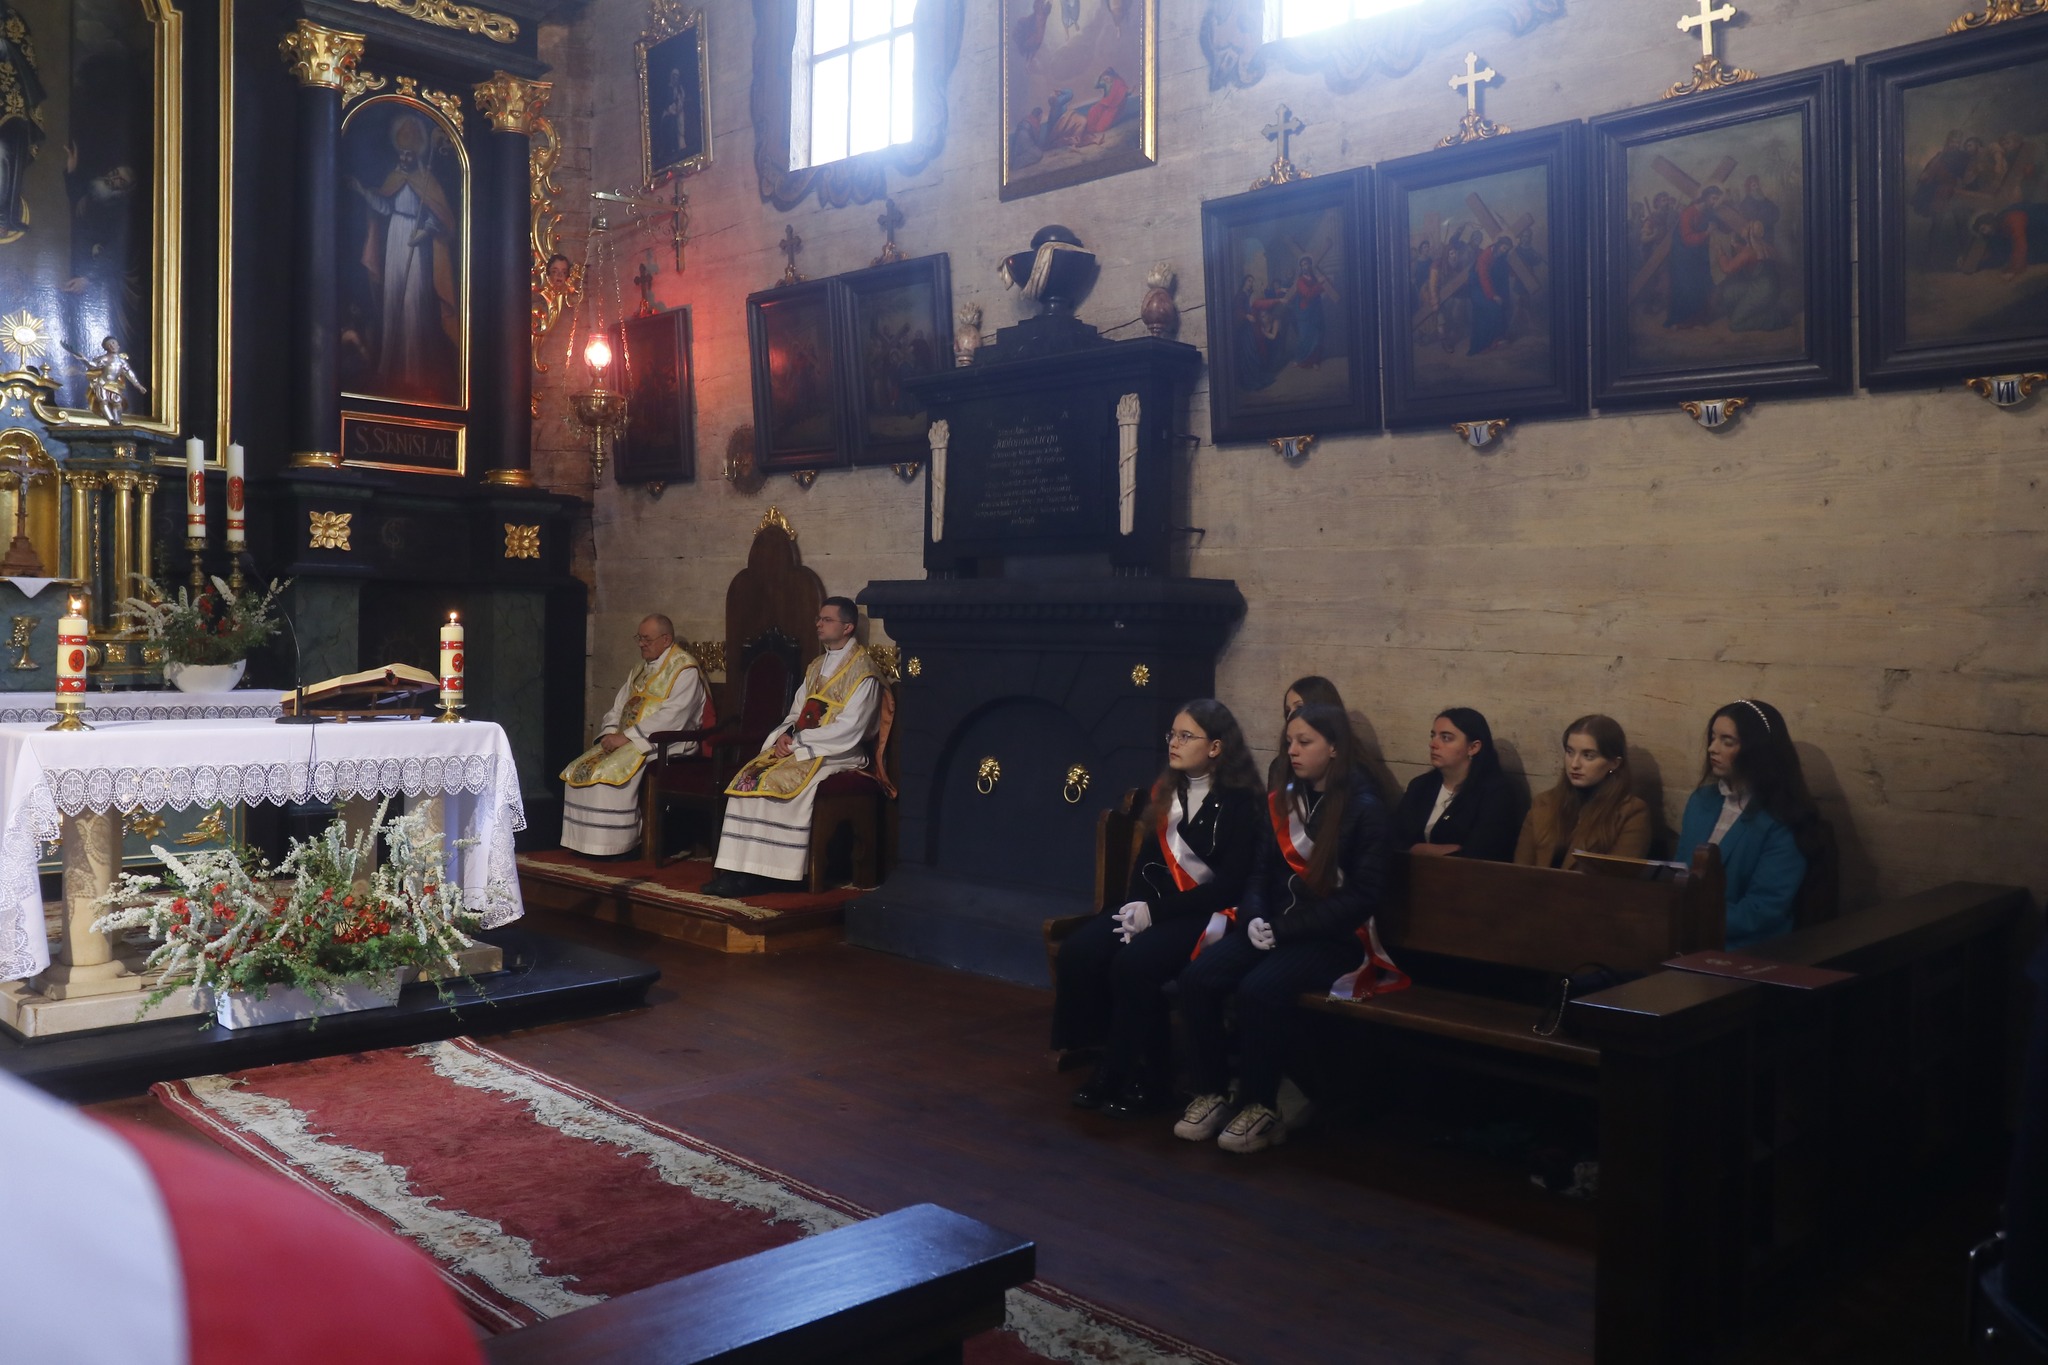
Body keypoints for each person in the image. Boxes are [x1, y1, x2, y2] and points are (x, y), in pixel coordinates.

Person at [1175, 703, 1390, 1154]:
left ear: (1334, 747)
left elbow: (1362, 897)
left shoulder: (1364, 808)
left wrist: (1282, 928)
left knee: (1258, 989)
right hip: (1274, 927)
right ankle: (1211, 1092)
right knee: (1198, 977)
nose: (1292, 750)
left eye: (1304, 742)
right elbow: (1259, 874)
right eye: (1289, 741)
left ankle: (1261, 1105)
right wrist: (1254, 917)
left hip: (1332, 940)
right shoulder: (1285, 799)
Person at [1052, 700, 1262, 1116]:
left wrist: (1154, 914)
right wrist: (1134, 907)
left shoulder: (1242, 803)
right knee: (1081, 950)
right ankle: (1107, 1054)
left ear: (1216, 747)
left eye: (1186, 735)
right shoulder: (1168, 792)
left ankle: (1143, 1075)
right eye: (1172, 734)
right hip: (1157, 908)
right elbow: (1146, 862)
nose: (1174, 743)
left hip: (1207, 915)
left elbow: (1229, 887)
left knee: (1134, 964)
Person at [704, 597, 883, 898]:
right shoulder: (816, 667)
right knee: (749, 777)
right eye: (818, 618)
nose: (819, 624)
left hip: (838, 751)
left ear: (848, 627)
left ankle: (770, 874)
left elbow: (852, 728)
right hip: (802, 746)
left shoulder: (864, 672)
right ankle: (736, 870)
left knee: (774, 782)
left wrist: (800, 741)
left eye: (827, 619)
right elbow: (796, 713)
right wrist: (785, 735)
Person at [559, 615, 710, 857]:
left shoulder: (684, 669)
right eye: (639, 638)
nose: (641, 643)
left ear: (666, 639)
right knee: (578, 769)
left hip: (668, 741)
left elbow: (675, 716)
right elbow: (619, 706)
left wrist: (627, 737)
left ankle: (618, 846)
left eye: (646, 639)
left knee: (607, 773)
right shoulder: (640, 669)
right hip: (632, 739)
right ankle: (586, 844)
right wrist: (610, 732)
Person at [1676, 699, 1813, 947]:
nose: (1712, 748)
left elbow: (1763, 910)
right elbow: (1679, 874)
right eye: (1713, 738)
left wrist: (1691, 919)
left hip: (1745, 945)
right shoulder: (1701, 801)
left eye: (1727, 742)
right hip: (1685, 932)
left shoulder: (1782, 817)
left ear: (1757, 750)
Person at [1514, 715, 1651, 871]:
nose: (1574, 764)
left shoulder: (1631, 813)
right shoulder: (1544, 803)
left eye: (1588, 756)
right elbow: (1519, 870)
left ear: (1614, 763)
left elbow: (1617, 878)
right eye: (1570, 752)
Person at [1389, 707, 1526, 861]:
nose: (1433, 744)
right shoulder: (1421, 786)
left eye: (1446, 738)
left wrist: (1418, 849)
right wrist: (1426, 849)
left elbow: (1481, 853)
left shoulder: (1495, 792)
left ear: (1473, 747)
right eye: (1433, 736)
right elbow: (1394, 838)